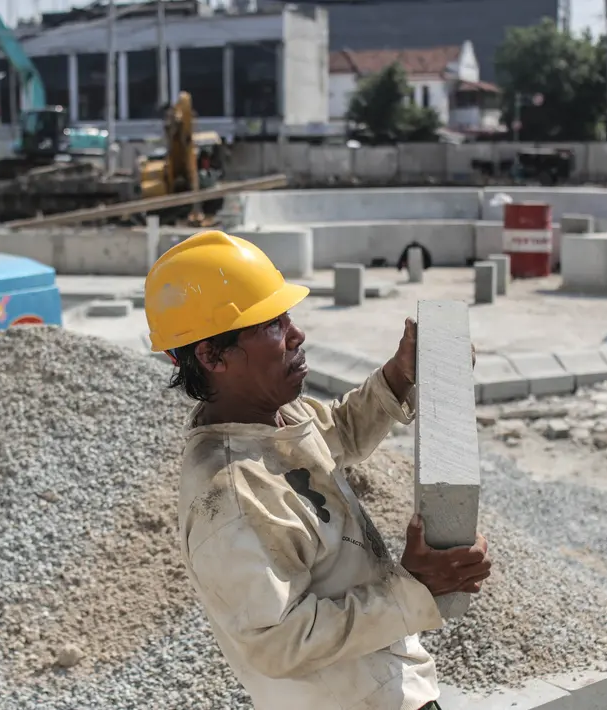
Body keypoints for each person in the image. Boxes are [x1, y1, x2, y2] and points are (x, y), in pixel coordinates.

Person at [144, 230, 492, 710]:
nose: (296, 334)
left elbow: (339, 434)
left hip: (389, 689)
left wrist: (399, 374)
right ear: (212, 355)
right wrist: (414, 586)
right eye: (270, 324)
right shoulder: (229, 498)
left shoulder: (276, 417)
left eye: (287, 315)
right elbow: (279, 641)